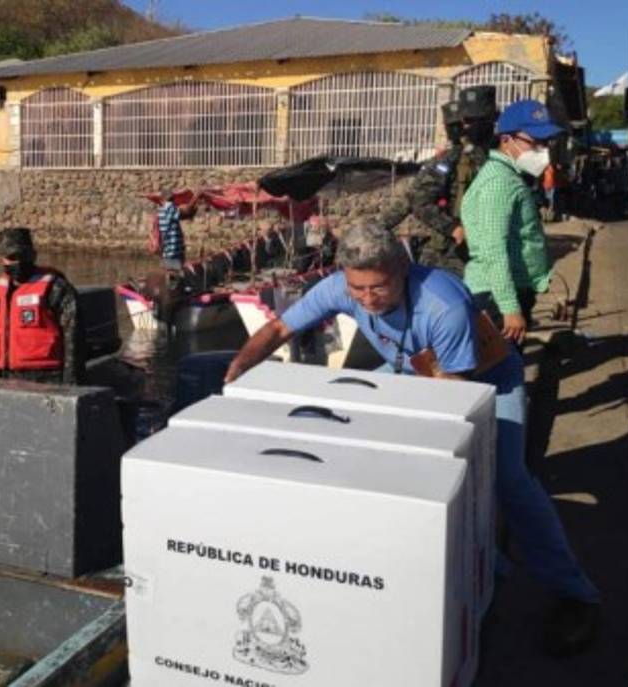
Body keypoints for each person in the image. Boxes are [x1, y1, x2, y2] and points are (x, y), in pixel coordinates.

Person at [223, 223, 601, 657]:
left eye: (378, 288)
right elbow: (278, 330)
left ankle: (576, 593)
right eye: (357, 289)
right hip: (413, 370)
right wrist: (239, 367)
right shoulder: (340, 287)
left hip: (484, 380)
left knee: (508, 479)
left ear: (403, 267)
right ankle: (484, 562)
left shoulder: (444, 306)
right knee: (343, 411)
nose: (367, 300)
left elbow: (451, 403)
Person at [460, 98, 561, 345]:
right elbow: (493, 249)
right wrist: (509, 308)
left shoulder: (510, 176)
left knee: (506, 370)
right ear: (507, 140)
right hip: (496, 296)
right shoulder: (499, 182)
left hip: (508, 291)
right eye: (535, 142)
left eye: (546, 142)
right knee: (502, 373)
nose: (543, 149)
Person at [378, 85, 499, 277]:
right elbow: (417, 200)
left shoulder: (501, 155)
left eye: (474, 121)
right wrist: (453, 228)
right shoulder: (450, 159)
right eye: (462, 123)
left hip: (492, 251)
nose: (463, 129)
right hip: (451, 255)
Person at [0, 227, 80, 402]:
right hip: (3, 381)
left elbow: (74, 342)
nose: (19, 262)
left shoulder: (57, 288)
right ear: (2, 259)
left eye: (24, 256)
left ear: (33, 255)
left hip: (47, 382)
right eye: (12, 258)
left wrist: (70, 390)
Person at [157, 188, 199, 270]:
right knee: (175, 267)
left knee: (169, 265)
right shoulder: (170, 207)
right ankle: (174, 279)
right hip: (174, 243)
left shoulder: (161, 210)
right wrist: (192, 207)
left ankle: (170, 277)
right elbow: (182, 215)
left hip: (167, 242)